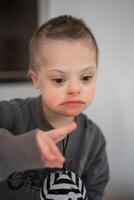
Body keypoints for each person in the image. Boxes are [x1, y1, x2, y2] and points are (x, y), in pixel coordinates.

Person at [0, 15, 109, 200]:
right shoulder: (11, 115)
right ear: (36, 80)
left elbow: (94, 191)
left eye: (86, 78)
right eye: (59, 79)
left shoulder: (94, 139)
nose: (75, 89)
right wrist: (20, 148)